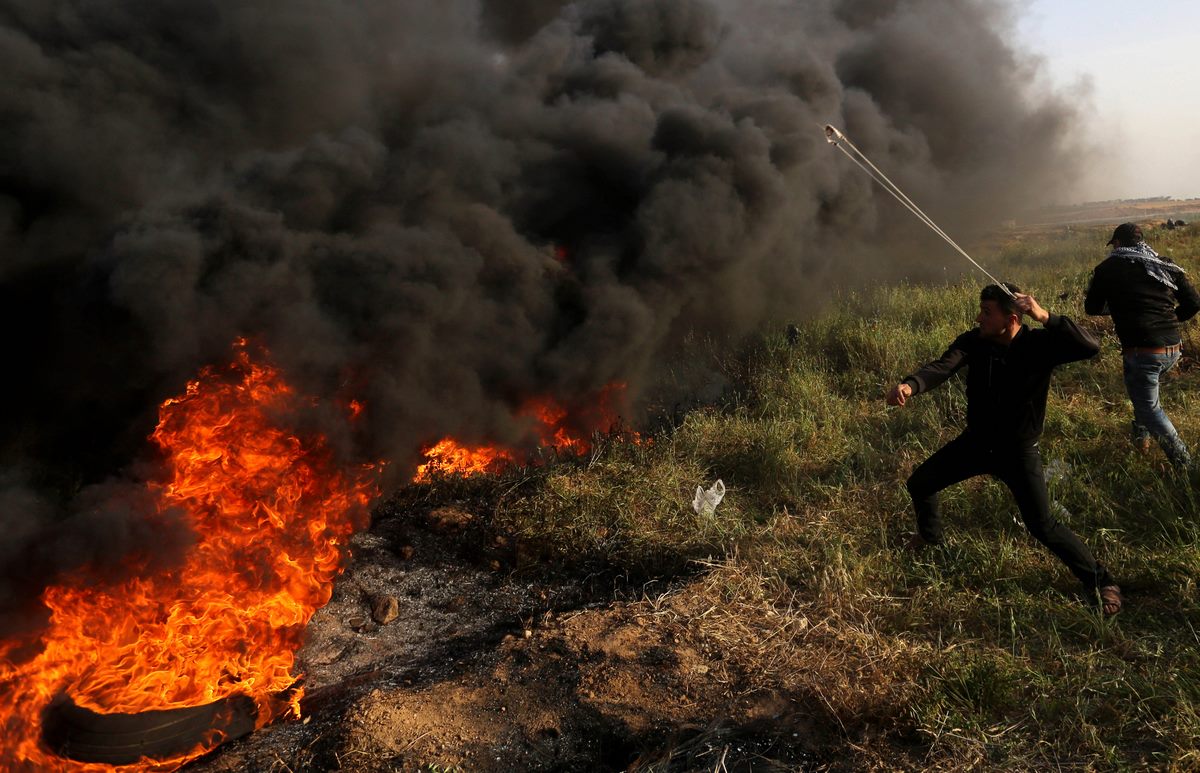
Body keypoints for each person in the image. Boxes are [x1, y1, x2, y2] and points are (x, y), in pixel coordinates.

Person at [887, 284, 1121, 615]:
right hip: (976, 444)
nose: (979, 318)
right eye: (980, 311)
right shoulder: (973, 342)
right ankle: (930, 538)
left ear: (1011, 319)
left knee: (1043, 525)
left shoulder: (1039, 344)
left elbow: (1090, 346)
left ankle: (1102, 582)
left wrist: (1044, 316)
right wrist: (910, 385)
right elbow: (942, 366)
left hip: (1017, 451)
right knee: (921, 483)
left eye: (987, 312)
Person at [1085, 222, 1200, 467]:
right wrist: (1169, 320)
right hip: (1173, 348)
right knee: (1143, 397)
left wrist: (1120, 305)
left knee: (1149, 409)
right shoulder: (1164, 264)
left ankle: (1185, 464)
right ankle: (1141, 444)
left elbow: (1092, 307)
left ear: (1116, 243)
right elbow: (1193, 302)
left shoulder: (1108, 268)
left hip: (1143, 352)